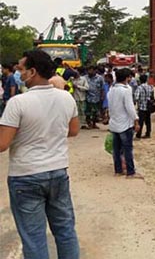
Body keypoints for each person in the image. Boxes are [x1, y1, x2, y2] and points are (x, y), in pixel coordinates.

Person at [0, 50, 80, 258]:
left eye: (21, 70)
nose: (19, 73)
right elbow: (73, 131)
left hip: (25, 176)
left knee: (34, 237)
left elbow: (2, 144)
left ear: (32, 71)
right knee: (65, 231)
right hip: (57, 172)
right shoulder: (66, 99)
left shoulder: (18, 102)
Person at [108, 68, 142, 178]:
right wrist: (136, 120)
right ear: (127, 78)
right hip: (124, 123)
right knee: (128, 149)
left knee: (116, 150)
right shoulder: (126, 89)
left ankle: (118, 170)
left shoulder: (111, 89)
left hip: (114, 123)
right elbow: (130, 107)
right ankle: (130, 172)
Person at [134, 74, 153, 139]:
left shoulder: (139, 88)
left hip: (142, 107)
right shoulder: (150, 87)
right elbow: (151, 96)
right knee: (148, 121)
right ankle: (148, 133)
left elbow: (136, 97)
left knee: (140, 122)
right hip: (148, 106)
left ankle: (138, 134)